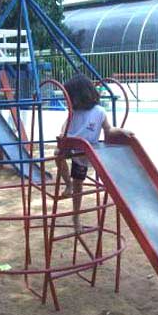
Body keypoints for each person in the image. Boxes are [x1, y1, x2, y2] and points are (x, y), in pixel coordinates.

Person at [55, 74, 133, 232]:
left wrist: (121, 131)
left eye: (70, 97)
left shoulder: (99, 112)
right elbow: (65, 125)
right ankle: (68, 184)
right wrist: (63, 135)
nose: (68, 101)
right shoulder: (73, 112)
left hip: (87, 152)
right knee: (58, 154)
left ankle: (76, 215)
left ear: (80, 95)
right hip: (72, 146)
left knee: (79, 184)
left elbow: (108, 130)